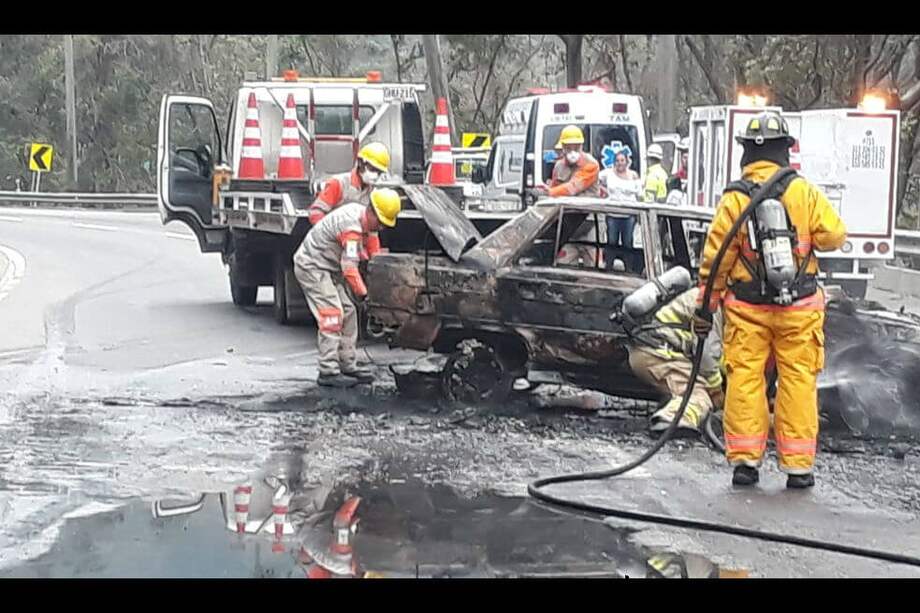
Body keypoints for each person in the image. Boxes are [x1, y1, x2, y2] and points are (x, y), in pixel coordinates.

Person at [692, 111, 847, 489]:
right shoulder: (803, 191)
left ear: (746, 152)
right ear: (785, 151)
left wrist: (706, 306)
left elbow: (716, 258)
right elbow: (834, 236)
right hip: (800, 308)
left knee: (745, 380)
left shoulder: (734, 197)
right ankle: (798, 468)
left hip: (747, 310)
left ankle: (746, 462)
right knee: (797, 381)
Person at [293, 188, 402, 388]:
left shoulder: (364, 219)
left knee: (349, 311)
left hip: (328, 267)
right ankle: (328, 370)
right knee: (333, 314)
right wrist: (365, 295)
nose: (381, 228)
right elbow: (349, 268)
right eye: (381, 223)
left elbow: (373, 252)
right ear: (372, 212)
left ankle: (347, 363)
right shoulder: (351, 228)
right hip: (312, 266)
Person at [628, 287, 724, 433]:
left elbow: (720, 355)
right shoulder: (711, 303)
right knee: (699, 396)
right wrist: (716, 391)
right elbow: (707, 356)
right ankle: (671, 419)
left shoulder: (702, 294)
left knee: (689, 385)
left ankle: (669, 406)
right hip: (658, 354)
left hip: (650, 349)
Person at [308, 142, 391, 257]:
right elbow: (315, 213)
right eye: (373, 169)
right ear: (361, 163)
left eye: (379, 172)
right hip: (331, 246)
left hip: (351, 244)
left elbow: (372, 232)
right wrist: (333, 238)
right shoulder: (339, 184)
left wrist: (375, 259)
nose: (376, 175)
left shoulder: (372, 193)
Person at [599, 147, 642, 260]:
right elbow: (595, 179)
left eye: (622, 160)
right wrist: (603, 191)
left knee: (627, 243)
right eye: (617, 160)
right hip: (613, 215)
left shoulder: (633, 175)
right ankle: (609, 268)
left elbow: (640, 194)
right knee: (611, 242)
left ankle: (629, 269)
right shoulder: (608, 173)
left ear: (627, 161)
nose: (619, 163)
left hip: (629, 215)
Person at [542, 125, 600, 197]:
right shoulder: (559, 166)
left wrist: (549, 192)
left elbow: (573, 187)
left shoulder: (591, 164)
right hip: (564, 206)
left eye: (576, 148)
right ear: (563, 148)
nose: (572, 152)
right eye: (568, 148)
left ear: (581, 147)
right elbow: (554, 188)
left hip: (588, 207)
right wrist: (546, 191)